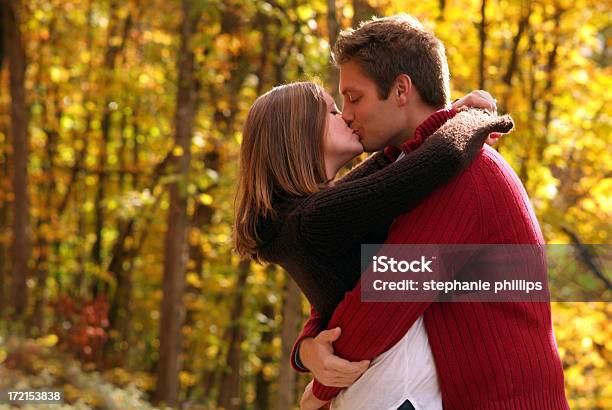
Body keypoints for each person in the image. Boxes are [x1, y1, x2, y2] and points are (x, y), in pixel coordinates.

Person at [294, 14, 569, 410]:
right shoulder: (410, 176)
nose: (347, 114)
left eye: (354, 98)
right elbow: (349, 279)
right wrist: (309, 347)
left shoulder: (466, 174)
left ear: (401, 89)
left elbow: (385, 296)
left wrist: (319, 392)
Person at [234, 81, 508, 407]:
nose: (346, 116)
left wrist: (305, 350)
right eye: (333, 111)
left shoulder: (293, 219)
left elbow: (391, 162)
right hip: (392, 393)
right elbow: (439, 159)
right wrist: (474, 117)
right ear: (299, 134)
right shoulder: (314, 221)